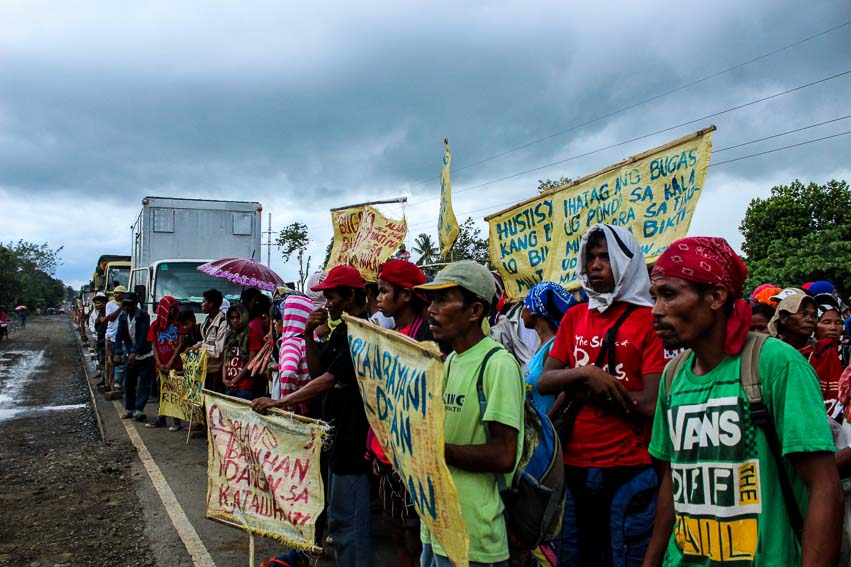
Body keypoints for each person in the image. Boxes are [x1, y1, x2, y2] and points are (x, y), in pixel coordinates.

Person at [644, 236, 843, 566]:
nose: (656, 310)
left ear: (716, 297)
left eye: (669, 295)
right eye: (654, 296)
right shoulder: (672, 376)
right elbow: (672, 483)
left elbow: (825, 489)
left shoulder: (777, 365)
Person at [538, 224, 666, 567]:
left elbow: (651, 404)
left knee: (621, 557)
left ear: (627, 263)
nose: (595, 265)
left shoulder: (649, 321)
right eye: (591, 257)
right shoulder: (575, 317)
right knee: (574, 557)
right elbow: (545, 380)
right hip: (573, 466)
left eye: (605, 257)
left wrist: (588, 388)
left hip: (629, 470)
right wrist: (586, 373)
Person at [253, 265, 372, 567]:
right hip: (336, 433)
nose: (326, 304)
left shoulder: (362, 331)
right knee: (338, 515)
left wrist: (280, 402)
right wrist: (307, 335)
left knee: (349, 521)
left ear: (351, 296)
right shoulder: (342, 329)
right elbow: (318, 370)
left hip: (353, 438)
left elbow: (327, 379)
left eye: (332, 297)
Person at [413, 260, 524, 567]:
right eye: (431, 301)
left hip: (473, 537)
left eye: (443, 300)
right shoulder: (449, 362)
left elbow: (503, 454)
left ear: (475, 311)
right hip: (436, 526)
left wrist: (433, 450)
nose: (431, 310)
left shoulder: (497, 365)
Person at [372, 260, 434, 567]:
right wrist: (375, 446)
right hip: (387, 457)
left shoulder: (427, 339)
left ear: (406, 295)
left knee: (414, 537)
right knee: (398, 533)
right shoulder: (392, 334)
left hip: (411, 460)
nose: (379, 298)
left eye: (384, 291)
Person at [521, 282, 577, 416]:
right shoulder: (541, 346)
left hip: (549, 432)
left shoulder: (555, 347)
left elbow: (566, 393)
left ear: (534, 310)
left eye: (525, 304)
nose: (522, 310)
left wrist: (547, 424)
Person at [114, 292, 155, 421]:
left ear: (136, 304)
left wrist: (134, 351)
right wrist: (118, 352)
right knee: (129, 383)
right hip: (130, 355)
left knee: (143, 384)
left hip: (144, 356)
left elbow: (143, 336)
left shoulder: (143, 316)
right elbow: (119, 335)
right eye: (125, 305)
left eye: (129, 305)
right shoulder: (123, 317)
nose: (127, 308)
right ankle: (129, 409)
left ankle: (139, 409)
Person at [273, 295, 315, 416]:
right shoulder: (312, 340)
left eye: (278, 318)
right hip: (315, 404)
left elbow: (288, 373)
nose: (275, 323)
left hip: (299, 411)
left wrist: (288, 406)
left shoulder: (290, 343)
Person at [146, 296, 184, 429]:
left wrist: (169, 363)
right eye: (170, 309)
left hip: (175, 365)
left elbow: (180, 345)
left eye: (173, 309)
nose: (172, 311)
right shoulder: (155, 326)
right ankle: (161, 418)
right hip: (160, 365)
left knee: (175, 393)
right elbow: (154, 345)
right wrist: (159, 363)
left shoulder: (178, 325)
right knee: (162, 393)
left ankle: (176, 421)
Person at [194, 289, 228, 393]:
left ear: (211, 304)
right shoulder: (207, 320)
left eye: (204, 302)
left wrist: (201, 346)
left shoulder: (223, 323)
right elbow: (205, 340)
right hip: (205, 367)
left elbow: (218, 351)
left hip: (215, 371)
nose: (202, 305)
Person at [222, 303, 255, 400]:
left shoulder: (251, 334)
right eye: (232, 318)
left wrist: (235, 380)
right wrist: (224, 380)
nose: (235, 321)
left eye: (238, 317)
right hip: (228, 384)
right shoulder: (229, 335)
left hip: (244, 386)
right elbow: (225, 361)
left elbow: (251, 362)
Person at [105, 285, 127, 391]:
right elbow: (111, 318)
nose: (115, 295)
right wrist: (121, 308)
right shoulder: (110, 304)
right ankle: (114, 383)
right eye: (115, 293)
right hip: (112, 337)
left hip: (126, 337)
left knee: (124, 362)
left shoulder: (129, 305)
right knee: (114, 361)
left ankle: (120, 383)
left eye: (118, 293)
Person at [91, 293, 108, 385]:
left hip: (105, 340)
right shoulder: (99, 313)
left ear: (104, 303)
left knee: (105, 361)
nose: (96, 305)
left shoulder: (107, 313)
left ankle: (106, 381)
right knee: (101, 360)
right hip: (100, 339)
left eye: (98, 303)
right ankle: (104, 379)